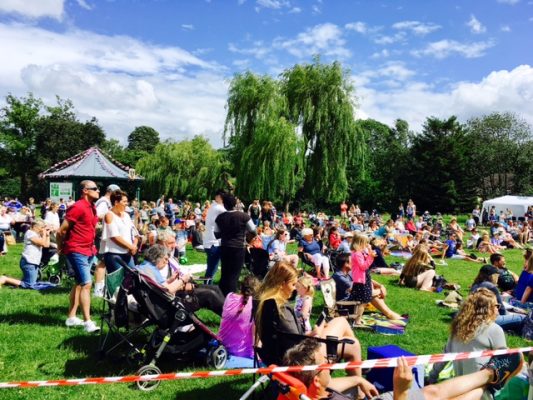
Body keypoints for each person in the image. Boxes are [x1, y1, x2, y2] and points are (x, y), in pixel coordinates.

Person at [283, 337, 523, 400]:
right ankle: (491, 379)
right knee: (447, 397)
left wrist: (357, 381)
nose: (332, 364)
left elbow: (329, 385)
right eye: (326, 362)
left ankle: (490, 376)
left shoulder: (304, 390)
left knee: (434, 393)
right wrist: (401, 391)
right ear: (315, 379)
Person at [255, 262, 362, 374]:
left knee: (340, 320)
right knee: (353, 344)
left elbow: (289, 338)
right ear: (282, 284)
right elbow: (297, 343)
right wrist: (317, 333)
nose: (294, 289)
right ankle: (358, 383)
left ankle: (359, 368)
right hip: (299, 360)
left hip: (276, 356)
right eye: (293, 285)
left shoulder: (262, 302)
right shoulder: (281, 309)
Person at [428, 289, 508, 389]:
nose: (498, 309)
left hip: (459, 387)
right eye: (496, 306)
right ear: (489, 309)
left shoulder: (458, 327)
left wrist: (432, 377)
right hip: (481, 388)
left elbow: (444, 357)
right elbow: (505, 363)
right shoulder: (494, 330)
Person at [57, 180, 100, 333]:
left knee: (78, 284)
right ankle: (88, 322)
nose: (98, 191)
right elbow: (61, 230)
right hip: (76, 250)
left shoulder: (92, 207)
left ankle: (71, 317)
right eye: (95, 188)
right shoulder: (78, 206)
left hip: (88, 250)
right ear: (85, 191)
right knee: (87, 284)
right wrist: (60, 247)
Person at [214, 193, 256, 296]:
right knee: (234, 274)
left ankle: (221, 295)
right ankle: (231, 297)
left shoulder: (220, 217)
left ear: (224, 205)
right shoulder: (244, 216)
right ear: (235, 204)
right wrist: (245, 235)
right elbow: (254, 230)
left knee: (225, 272)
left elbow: (216, 234)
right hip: (238, 248)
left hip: (225, 247)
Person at [471, 264, 525, 332]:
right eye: (497, 275)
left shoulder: (475, 285)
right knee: (522, 318)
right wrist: (509, 316)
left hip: (475, 318)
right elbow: (502, 310)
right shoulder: (491, 287)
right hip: (488, 320)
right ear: (492, 276)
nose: (498, 277)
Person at [0, 220, 51, 288]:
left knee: (29, 282)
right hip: (28, 262)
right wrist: (44, 233)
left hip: (33, 262)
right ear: (35, 227)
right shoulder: (30, 233)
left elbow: (46, 245)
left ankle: (8, 280)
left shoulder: (37, 235)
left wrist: (47, 235)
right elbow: (42, 243)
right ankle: (5, 279)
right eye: (42, 227)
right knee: (30, 285)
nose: (42, 229)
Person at [93, 183, 121, 297]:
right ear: (110, 192)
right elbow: (98, 215)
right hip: (101, 234)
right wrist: (111, 214)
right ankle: (98, 289)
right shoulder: (104, 202)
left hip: (103, 234)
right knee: (102, 262)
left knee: (104, 262)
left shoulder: (106, 201)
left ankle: (102, 287)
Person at [100, 190, 138, 273]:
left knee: (132, 280)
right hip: (114, 254)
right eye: (124, 201)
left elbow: (134, 233)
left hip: (128, 254)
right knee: (118, 283)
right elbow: (114, 236)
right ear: (116, 202)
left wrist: (134, 245)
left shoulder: (127, 215)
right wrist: (131, 247)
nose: (126, 203)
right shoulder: (109, 215)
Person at [350, 233, 375, 325]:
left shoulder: (360, 252)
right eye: (366, 242)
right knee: (363, 301)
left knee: (360, 301)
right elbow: (363, 266)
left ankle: (356, 318)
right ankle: (357, 320)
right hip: (361, 280)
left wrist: (370, 251)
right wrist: (371, 257)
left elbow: (368, 257)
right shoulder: (357, 254)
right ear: (360, 243)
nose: (367, 244)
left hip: (363, 278)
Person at [203, 190, 226, 282]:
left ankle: (207, 287)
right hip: (213, 243)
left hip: (210, 242)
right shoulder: (218, 208)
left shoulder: (213, 206)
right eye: (222, 197)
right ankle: (206, 288)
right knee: (212, 270)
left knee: (211, 269)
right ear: (217, 197)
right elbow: (231, 213)